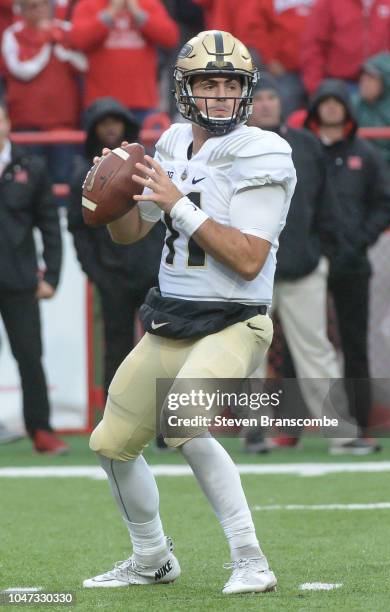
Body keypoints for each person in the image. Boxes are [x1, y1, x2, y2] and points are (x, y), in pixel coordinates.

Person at [82, 30, 296, 594]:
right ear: (185, 90)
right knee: (110, 443)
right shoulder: (174, 142)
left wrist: (177, 205)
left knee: (183, 421)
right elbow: (133, 234)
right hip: (173, 317)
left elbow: (249, 259)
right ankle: (152, 558)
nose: (221, 95)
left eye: (231, 85)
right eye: (209, 83)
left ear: (246, 93)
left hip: (235, 318)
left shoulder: (265, 150)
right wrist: (112, 197)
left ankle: (251, 559)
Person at [246, 76, 372, 454]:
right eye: (259, 98)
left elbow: (327, 204)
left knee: (316, 351)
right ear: (248, 106)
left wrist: (327, 253)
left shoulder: (304, 144)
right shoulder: (232, 147)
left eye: (271, 96)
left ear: (281, 102)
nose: (266, 104)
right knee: (248, 353)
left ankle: (341, 433)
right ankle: (254, 432)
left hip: (303, 265)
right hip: (250, 270)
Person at [304, 79, 390, 439]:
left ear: (347, 108)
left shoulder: (367, 154)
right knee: (303, 343)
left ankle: (359, 424)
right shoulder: (305, 152)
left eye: (336, 102)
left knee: (354, 345)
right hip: (310, 262)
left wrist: (360, 240)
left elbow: (386, 204)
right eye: (324, 102)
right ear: (315, 109)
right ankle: (297, 424)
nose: (330, 108)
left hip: (353, 262)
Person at [68, 96, 164, 397]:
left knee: (162, 348)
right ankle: (115, 419)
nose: (110, 128)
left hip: (151, 274)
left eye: (115, 121)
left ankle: (164, 424)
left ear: (126, 125)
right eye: (103, 123)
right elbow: (78, 230)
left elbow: (162, 217)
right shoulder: (82, 176)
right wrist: (98, 275)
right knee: (116, 349)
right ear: (93, 130)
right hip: (113, 277)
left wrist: (159, 267)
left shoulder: (149, 168)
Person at [0, 101, 68, 454]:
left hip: (19, 280)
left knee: (29, 355)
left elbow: (49, 226)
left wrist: (52, 276)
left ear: (8, 122)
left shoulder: (32, 166)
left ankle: (40, 430)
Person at [1, 0, 87, 184]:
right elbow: (21, 70)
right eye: (32, 6)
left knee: (63, 178)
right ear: (22, 10)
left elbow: (84, 64)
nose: (38, 10)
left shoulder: (66, 29)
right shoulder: (13, 34)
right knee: (29, 180)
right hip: (27, 124)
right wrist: (46, 44)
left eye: (42, 5)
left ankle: (63, 213)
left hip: (63, 122)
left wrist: (62, 48)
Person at [70, 0, 179, 125]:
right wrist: (111, 12)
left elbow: (171, 37)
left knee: (143, 145)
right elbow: (78, 40)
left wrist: (138, 14)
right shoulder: (88, 5)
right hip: (101, 105)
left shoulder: (148, 4)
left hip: (143, 103)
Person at [301, 0, 390, 96]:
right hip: (341, 86)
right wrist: (315, 87)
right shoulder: (328, 3)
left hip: (383, 88)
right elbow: (314, 46)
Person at [353, 51, 390, 213]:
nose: (364, 82)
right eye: (363, 77)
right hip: (356, 171)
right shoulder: (351, 105)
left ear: (386, 81)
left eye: (371, 78)